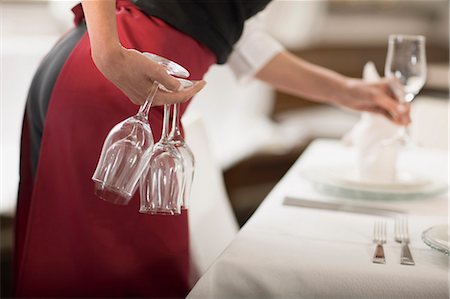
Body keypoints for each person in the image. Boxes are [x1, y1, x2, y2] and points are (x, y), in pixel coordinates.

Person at [14, 0, 410, 298]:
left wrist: (346, 91)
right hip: (122, 79)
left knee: (95, 268)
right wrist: (109, 53)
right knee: (122, 277)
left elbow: (228, 32)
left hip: (117, 74)